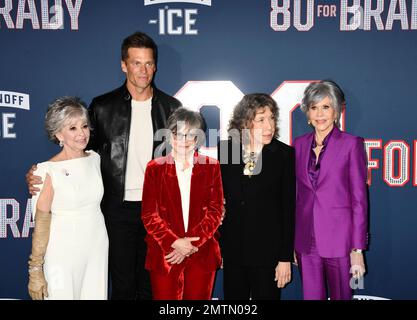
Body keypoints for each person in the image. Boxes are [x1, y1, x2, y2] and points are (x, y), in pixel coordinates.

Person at [26, 31, 181, 300]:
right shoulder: (103, 107)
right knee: (121, 287)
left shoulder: (171, 108)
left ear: (155, 65)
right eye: (136, 63)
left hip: (158, 211)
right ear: (123, 65)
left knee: (152, 286)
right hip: (115, 211)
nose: (143, 71)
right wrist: (40, 173)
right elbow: (79, 153)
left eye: (148, 63)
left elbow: (185, 160)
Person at [293, 80, 368, 300]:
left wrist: (357, 250)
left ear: (336, 111)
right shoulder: (298, 145)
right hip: (306, 243)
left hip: (341, 243)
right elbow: (295, 197)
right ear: (307, 112)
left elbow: (359, 201)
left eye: (326, 107)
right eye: (314, 107)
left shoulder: (351, 144)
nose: (319, 114)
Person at [27, 97, 108, 300]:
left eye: (84, 126)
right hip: (62, 251)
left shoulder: (95, 159)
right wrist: (35, 270)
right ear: (58, 134)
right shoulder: (46, 171)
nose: (81, 133)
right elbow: (41, 222)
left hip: (96, 246)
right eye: (72, 128)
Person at [218, 93, 295, 300]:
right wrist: (221, 247)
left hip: (267, 255)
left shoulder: (284, 155)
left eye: (271, 118)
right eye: (261, 119)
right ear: (245, 122)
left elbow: (289, 209)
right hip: (234, 252)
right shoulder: (227, 150)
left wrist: (285, 258)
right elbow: (222, 201)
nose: (269, 126)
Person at [141, 108, 223, 300]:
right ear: (169, 137)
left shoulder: (211, 166)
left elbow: (215, 210)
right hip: (165, 255)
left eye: (190, 135)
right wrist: (174, 243)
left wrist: (192, 244)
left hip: (201, 253)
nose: (184, 141)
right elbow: (149, 214)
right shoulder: (154, 168)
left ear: (198, 138)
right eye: (178, 134)